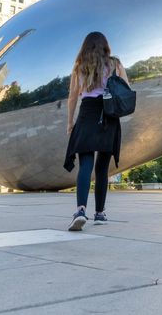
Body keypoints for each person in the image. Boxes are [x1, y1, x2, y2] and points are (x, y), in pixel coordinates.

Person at [63, 32, 128, 231]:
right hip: (109, 115)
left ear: (85, 46)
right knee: (102, 168)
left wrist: (70, 123)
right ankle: (100, 213)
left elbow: (73, 97)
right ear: (105, 46)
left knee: (85, 164)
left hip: (87, 114)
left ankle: (80, 211)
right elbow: (126, 88)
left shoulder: (79, 66)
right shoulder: (115, 63)